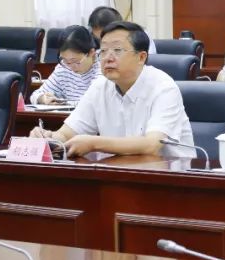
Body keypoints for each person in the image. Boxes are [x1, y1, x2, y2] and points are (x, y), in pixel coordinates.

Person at [31, 21, 195, 159]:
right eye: (103, 51)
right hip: (118, 172)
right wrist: (49, 137)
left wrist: (94, 143)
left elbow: (152, 145)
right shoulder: (100, 87)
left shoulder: (163, 87)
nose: (108, 58)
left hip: (170, 175)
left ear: (141, 57)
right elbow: (66, 134)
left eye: (117, 50)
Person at [30, 25, 99, 105]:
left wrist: (65, 103)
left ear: (91, 53)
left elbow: (96, 104)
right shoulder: (63, 67)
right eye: (65, 60)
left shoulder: (103, 71)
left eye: (75, 61)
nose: (71, 67)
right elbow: (35, 95)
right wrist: (43, 98)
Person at [88, 6, 157, 54]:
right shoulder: (91, 36)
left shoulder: (139, 35)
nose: (102, 41)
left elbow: (148, 60)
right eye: (99, 39)